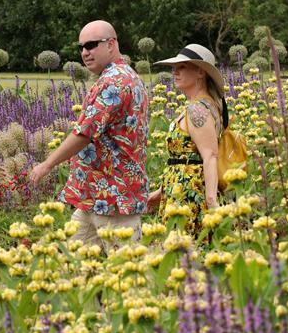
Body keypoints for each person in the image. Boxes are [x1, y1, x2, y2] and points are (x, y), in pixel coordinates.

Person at [28, 20, 149, 248]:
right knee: (73, 263)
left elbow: (85, 133)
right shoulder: (125, 75)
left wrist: (47, 164)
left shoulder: (115, 81)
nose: (85, 52)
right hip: (94, 197)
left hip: (113, 197)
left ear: (111, 44)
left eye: (92, 45)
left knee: (128, 273)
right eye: (82, 47)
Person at [147, 44, 226, 238]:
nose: (175, 72)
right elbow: (187, 159)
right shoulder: (198, 106)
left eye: (182, 67)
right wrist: (161, 192)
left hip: (190, 196)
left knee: (185, 253)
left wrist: (211, 200)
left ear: (200, 72)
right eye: (175, 67)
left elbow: (209, 156)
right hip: (180, 191)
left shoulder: (198, 109)